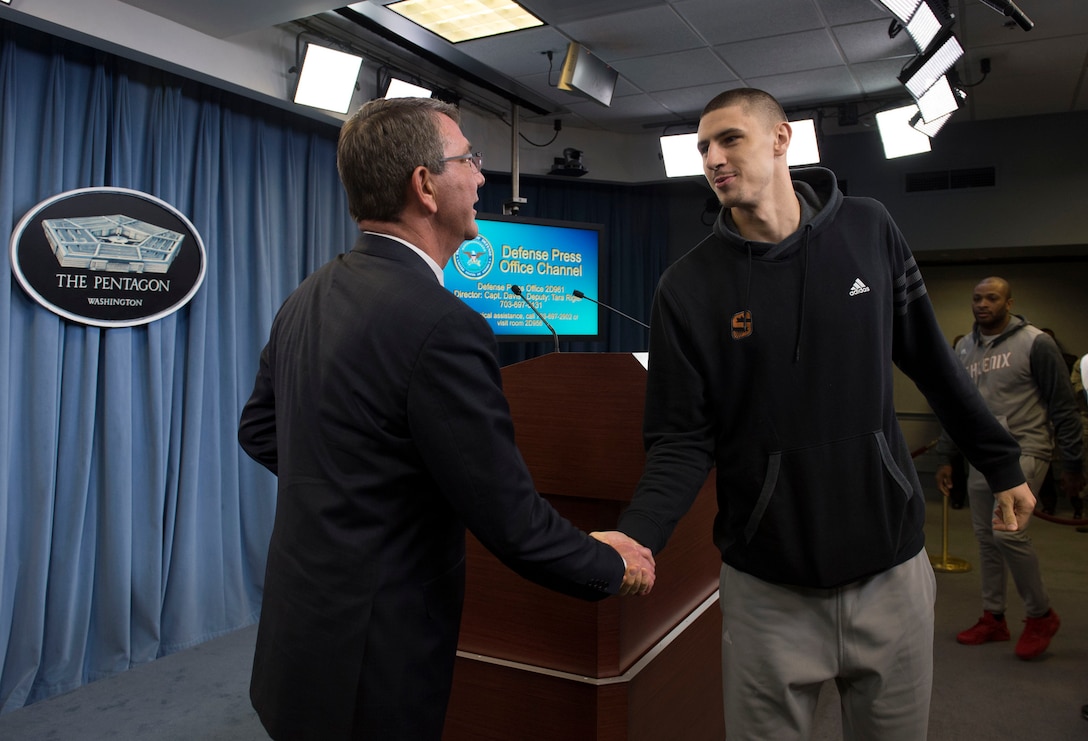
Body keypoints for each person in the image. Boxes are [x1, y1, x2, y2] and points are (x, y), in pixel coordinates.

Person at [614, 87, 1035, 740]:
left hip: (889, 573)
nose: (714, 158)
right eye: (703, 148)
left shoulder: (869, 230)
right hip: (767, 590)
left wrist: (1001, 461)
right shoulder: (687, 287)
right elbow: (679, 438)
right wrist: (638, 531)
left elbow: (932, 362)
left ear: (782, 139)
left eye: (730, 139)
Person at [237, 97, 654, 740]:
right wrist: (609, 564)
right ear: (425, 185)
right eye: (470, 160)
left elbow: (261, 431)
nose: (482, 177)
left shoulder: (308, 294)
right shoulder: (445, 326)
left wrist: (362, 488)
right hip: (376, 658)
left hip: (300, 633)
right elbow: (510, 520)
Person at [936, 277, 1084, 661]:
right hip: (981, 457)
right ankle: (993, 616)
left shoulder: (1036, 342)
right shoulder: (965, 347)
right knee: (986, 539)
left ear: (1009, 302)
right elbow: (956, 406)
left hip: (1025, 450)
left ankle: (1040, 615)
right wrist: (947, 457)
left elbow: (1063, 407)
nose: (982, 304)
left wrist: (1073, 463)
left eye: (992, 298)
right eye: (977, 298)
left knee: (1008, 536)